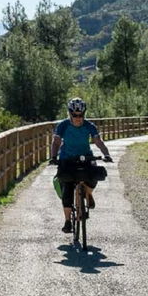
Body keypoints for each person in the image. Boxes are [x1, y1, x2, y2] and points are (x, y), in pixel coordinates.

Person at [49, 98, 112, 233]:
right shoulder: (63, 125)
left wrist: (106, 154)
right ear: (70, 114)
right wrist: (54, 157)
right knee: (67, 186)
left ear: (84, 114)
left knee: (95, 175)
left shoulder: (90, 126)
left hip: (86, 157)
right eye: (75, 115)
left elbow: (98, 141)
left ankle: (88, 194)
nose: (78, 118)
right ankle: (67, 221)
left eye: (80, 115)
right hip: (67, 158)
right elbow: (56, 142)